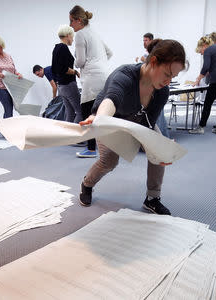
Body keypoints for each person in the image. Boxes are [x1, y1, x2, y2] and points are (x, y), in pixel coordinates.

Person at [78, 39, 187, 215]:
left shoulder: (162, 91)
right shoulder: (125, 75)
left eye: (173, 77)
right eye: (167, 74)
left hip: (140, 122)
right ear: (153, 62)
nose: (168, 81)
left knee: (158, 152)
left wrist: (162, 149)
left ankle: (152, 198)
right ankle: (87, 184)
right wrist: (100, 119)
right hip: (112, 120)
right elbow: (111, 99)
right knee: (109, 162)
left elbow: (150, 124)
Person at [69, 5, 112, 158]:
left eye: (71, 21)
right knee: (102, 113)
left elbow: (80, 62)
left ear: (78, 20)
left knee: (88, 112)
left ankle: (91, 149)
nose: (70, 25)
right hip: (104, 76)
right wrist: (98, 61)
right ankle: (106, 147)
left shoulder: (80, 34)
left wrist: (76, 62)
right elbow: (109, 52)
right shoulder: (94, 32)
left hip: (92, 79)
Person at [190, 36, 216, 135]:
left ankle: (201, 127)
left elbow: (206, 67)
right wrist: (203, 77)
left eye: (200, 51)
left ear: (203, 46)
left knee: (208, 103)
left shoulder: (208, 50)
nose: (201, 53)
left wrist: (197, 80)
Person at [0, 34, 22, 118]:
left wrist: (18, 74)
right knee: (8, 109)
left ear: (1, 43)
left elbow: (13, 69)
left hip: (12, 86)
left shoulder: (8, 56)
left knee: (13, 109)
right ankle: (7, 130)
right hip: (1, 87)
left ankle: (7, 129)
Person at [51, 25, 82, 123]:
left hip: (61, 86)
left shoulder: (56, 48)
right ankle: (77, 137)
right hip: (68, 85)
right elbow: (62, 69)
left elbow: (54, 69)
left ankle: (68, 137)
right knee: (80, 112)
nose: (72, 40)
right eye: (72, 37)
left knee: (70, 112)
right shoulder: (63, 48)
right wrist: (76, 72)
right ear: (68, 35)